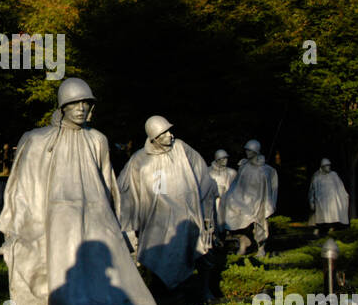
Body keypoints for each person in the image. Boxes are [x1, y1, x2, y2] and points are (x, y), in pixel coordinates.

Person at [0, 78, 158, 305]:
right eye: (75, 103)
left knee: (82, 276)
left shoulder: (97, 140)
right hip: (43, 219)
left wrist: (110, 222)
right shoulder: (36, 139)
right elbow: (22, 182)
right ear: (63, 106)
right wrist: (19, 219)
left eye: (86, 103)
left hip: (84, 220)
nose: (81, 108)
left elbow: (107, 183)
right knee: (34, 272)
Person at [117, 116, 218, 291]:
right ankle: (162, 292)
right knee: (155, 253)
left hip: (187, 214)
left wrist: (206, 208)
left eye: (170, 131)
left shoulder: (181, 148)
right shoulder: (140, 159)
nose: (171, 135)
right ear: (154, 138)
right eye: (165, 133)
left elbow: (202, 173)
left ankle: (205, 289)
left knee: (200, 249)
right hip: (156, 220)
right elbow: (125, 188)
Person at [218, 140, 278, 259]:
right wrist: (229, 196)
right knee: (234, 219)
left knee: (260, 225)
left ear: (255, 151)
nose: (247, 152)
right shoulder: (244, 166)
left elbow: (271, 188)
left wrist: (269, 203)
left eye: (249, 150)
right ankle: (243, 241)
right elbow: (237, 184)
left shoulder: (266, 170)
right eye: (246, 150)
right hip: (243, 200)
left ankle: (261, 248)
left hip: (259, 201)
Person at [308, 157, 350, 234]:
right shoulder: (316, 176)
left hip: (332, 201)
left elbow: (340, 186)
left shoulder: (333, 175)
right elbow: (312, 190)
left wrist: (344, 195)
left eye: (329, 165)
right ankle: (321, 229)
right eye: (326, 165)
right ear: (322, 167)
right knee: (322, 217)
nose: (328, 167)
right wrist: (311, 201)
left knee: (333, 215)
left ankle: (332, 227)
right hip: (321, 201)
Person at [207, 149, 238, 237]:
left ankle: (227, 234)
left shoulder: (232, 173)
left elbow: (236, 189)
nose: (225, 160)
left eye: (226, 158)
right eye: (223, 159)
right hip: (213, 202)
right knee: (214, 219)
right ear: (217, 159)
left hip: (228, 201)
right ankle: (214, 236)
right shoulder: (208, 171)